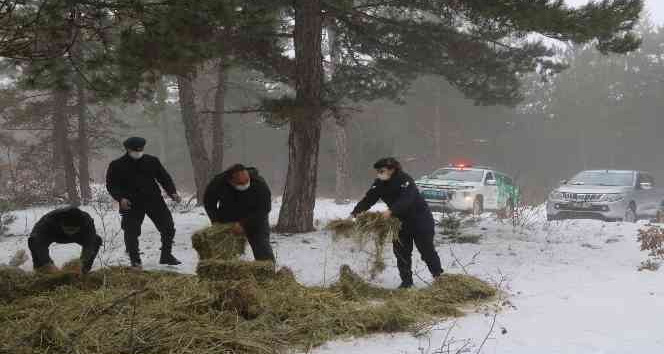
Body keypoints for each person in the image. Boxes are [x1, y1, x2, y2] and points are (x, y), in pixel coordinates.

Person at [351, 157, 443, 289]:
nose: (379, 173)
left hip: (420, 220)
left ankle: (438, 277)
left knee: (427, 251)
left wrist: (391, 211)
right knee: (401, 252)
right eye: (378, 171)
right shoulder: (379, 183)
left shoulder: (405, 180)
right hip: (399, 223)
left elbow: (407, 199)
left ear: (392, 169)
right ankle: (406, 282)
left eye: (382, 170)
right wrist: (356, 212)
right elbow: (369, 198)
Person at [105, 137, 182, 268]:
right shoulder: (117, 165)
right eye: (135, 150)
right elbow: (111, 185)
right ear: (128, 149)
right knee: (131, 231)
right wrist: (120, 198)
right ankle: (135, 260)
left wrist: (172, 192)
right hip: (130, 203)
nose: (138, 152)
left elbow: (164, 178)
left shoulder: (152, 161)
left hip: (154, 200)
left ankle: (166, 255)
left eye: (141, 149)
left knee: (168, 226)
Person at [203, 164, 275, 262]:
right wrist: (216, 221)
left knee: (262, 245)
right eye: (241, 183)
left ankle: (268, 271)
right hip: (228, 217)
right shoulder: (218, 183)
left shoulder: (259, 184)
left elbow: (264, 209)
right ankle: (226, 271)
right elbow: (209, 203)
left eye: (247, 181)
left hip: (255, 217)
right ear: (230, 181)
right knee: (223, 250)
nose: (245, 185)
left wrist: (243, 224)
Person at [28, 206, 102, 274]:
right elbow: (38, 242)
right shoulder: (48, 222)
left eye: (73, 229)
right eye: (68, 229)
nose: (70, 233)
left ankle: (83, 271)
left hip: (79, 235)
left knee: (96, 240)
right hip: (53, 233)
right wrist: (47, 263)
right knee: (33, 240)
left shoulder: (87, 221)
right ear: (61, 223)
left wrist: (81, 263)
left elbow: (90, 244)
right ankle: (41, 270)